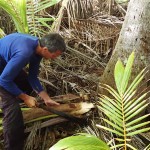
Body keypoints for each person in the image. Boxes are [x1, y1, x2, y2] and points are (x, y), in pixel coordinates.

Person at [0, 32, 66, 150]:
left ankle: (15, 98)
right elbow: (4, 80)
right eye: (54, 55)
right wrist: (25, 97)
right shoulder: (24, 53)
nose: (54, 58)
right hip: (2, 73)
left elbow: (32, 77)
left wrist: (46, 98)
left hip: (6, 64)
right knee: (13, 111)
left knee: (25, 83)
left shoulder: (37, 47)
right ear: (45, 49)